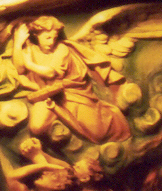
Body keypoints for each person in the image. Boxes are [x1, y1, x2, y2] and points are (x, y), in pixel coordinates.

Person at [12, 16, 130, 144]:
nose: (51, 42)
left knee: (99, 132)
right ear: (36, 35)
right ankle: (61, 134)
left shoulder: (61, 49)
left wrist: (30, 64)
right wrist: (17, 44)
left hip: (71, 94)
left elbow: (51, 73)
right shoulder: (31, 49)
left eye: (54, 37)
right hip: (47, 95)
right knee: (36, 128)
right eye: (47, 37)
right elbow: (19, 69)